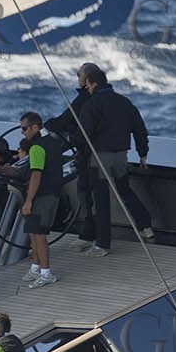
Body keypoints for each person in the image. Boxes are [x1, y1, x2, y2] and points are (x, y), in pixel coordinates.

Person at [78, 65, 154, 256]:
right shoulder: (124, 102)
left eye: (85, 82)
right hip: (121, 156)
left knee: (101, 199)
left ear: (92, 83)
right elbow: (139, 129)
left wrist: (77, 148)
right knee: (124, 190)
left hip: (100, 158)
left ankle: (102, 244)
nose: (85, 87)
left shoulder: (91, 104)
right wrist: (142, 153)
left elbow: (84, 134)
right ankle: (146, 226)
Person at [48, 63, 100, 250]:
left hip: (88, 154)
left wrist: (47, 124)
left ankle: (89, 235)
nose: (77, 77)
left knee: (85, 192)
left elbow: (65, 121)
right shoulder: (107, 99)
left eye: (79, 74)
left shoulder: (84, 99)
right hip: (108, 153)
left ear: (86, 80)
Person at [17, 112, 60, 288]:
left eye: (25, 128)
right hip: (53, 192)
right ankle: (36, 267)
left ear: (36, 127)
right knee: (33, 232)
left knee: (39, 235)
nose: (23, 132)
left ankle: (46, 272)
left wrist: (28, 201)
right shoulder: (53, 143)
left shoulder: (36, 148)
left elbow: (36, 174)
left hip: (41, 196)